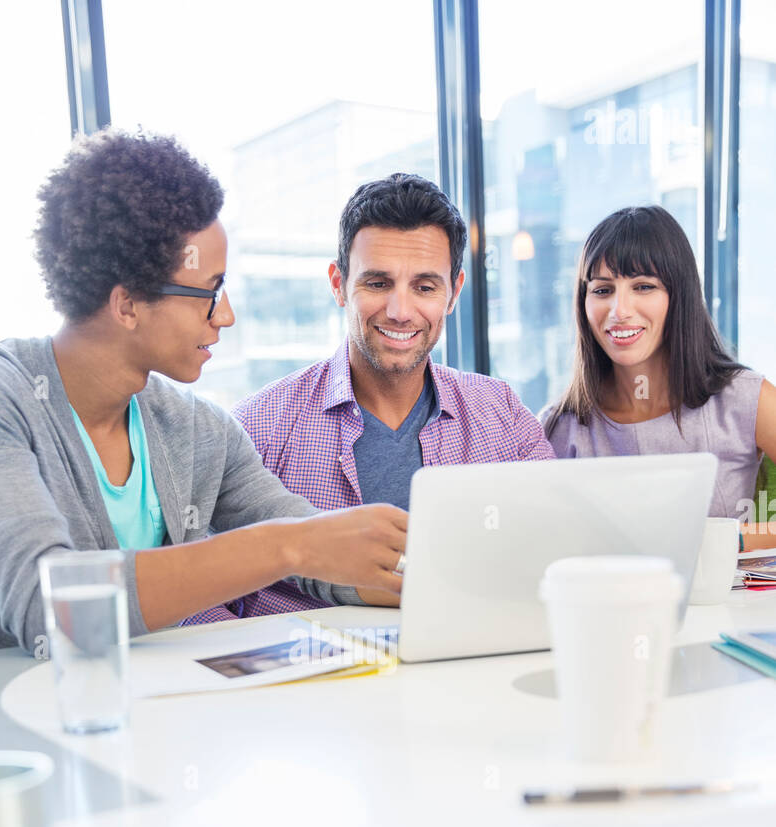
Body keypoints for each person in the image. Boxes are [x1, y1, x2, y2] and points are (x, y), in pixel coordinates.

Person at [0, 129, 407, 658]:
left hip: (150, 718)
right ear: (126, 305)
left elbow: (319, 554)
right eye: (209, 292)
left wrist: (425, 580)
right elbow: (46, 608)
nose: (226, 316)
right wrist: (286, 545)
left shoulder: (198, 428)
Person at [192, 173, 553, 623]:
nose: (400, 312)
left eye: (424, 287)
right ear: (338, 284)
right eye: (378, 284)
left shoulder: (504, 418)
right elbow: (196, 600)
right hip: (308, 684)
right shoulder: (256, 429)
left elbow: (553, 556)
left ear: (454, 292)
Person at [541, 204, 776, 553]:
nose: (619, 311)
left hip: (727, 604)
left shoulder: (746, 399)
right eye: (603, 290)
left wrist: (728, 540)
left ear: (678, 297)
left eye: (643, 287)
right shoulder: (561, 427)